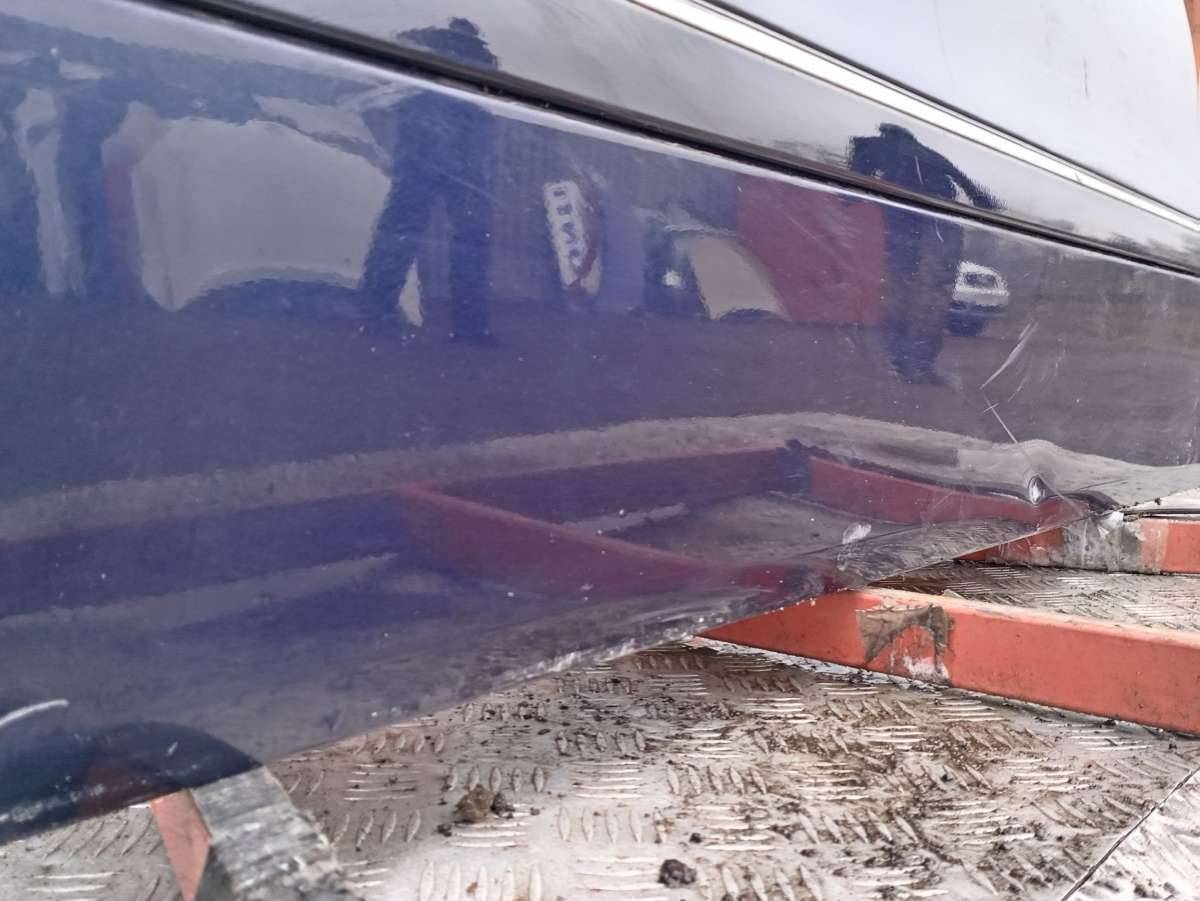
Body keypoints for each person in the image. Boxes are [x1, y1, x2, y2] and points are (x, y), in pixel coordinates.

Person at [358, 18, 499, 344]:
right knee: (462, 238)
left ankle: (377, 314)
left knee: (406, 231)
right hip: (448, 147)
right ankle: (468, 327)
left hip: (435, 145)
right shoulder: (478, 53)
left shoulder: (427, 38)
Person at [849, 124, 997, 382]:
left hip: (907, 226)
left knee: (902, 291)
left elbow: (848, 197)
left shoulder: (869, 147)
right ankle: (916, 364)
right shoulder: (929, 155)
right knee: (930, 294)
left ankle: (896, 361)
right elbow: (981, 198)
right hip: (935, 223)